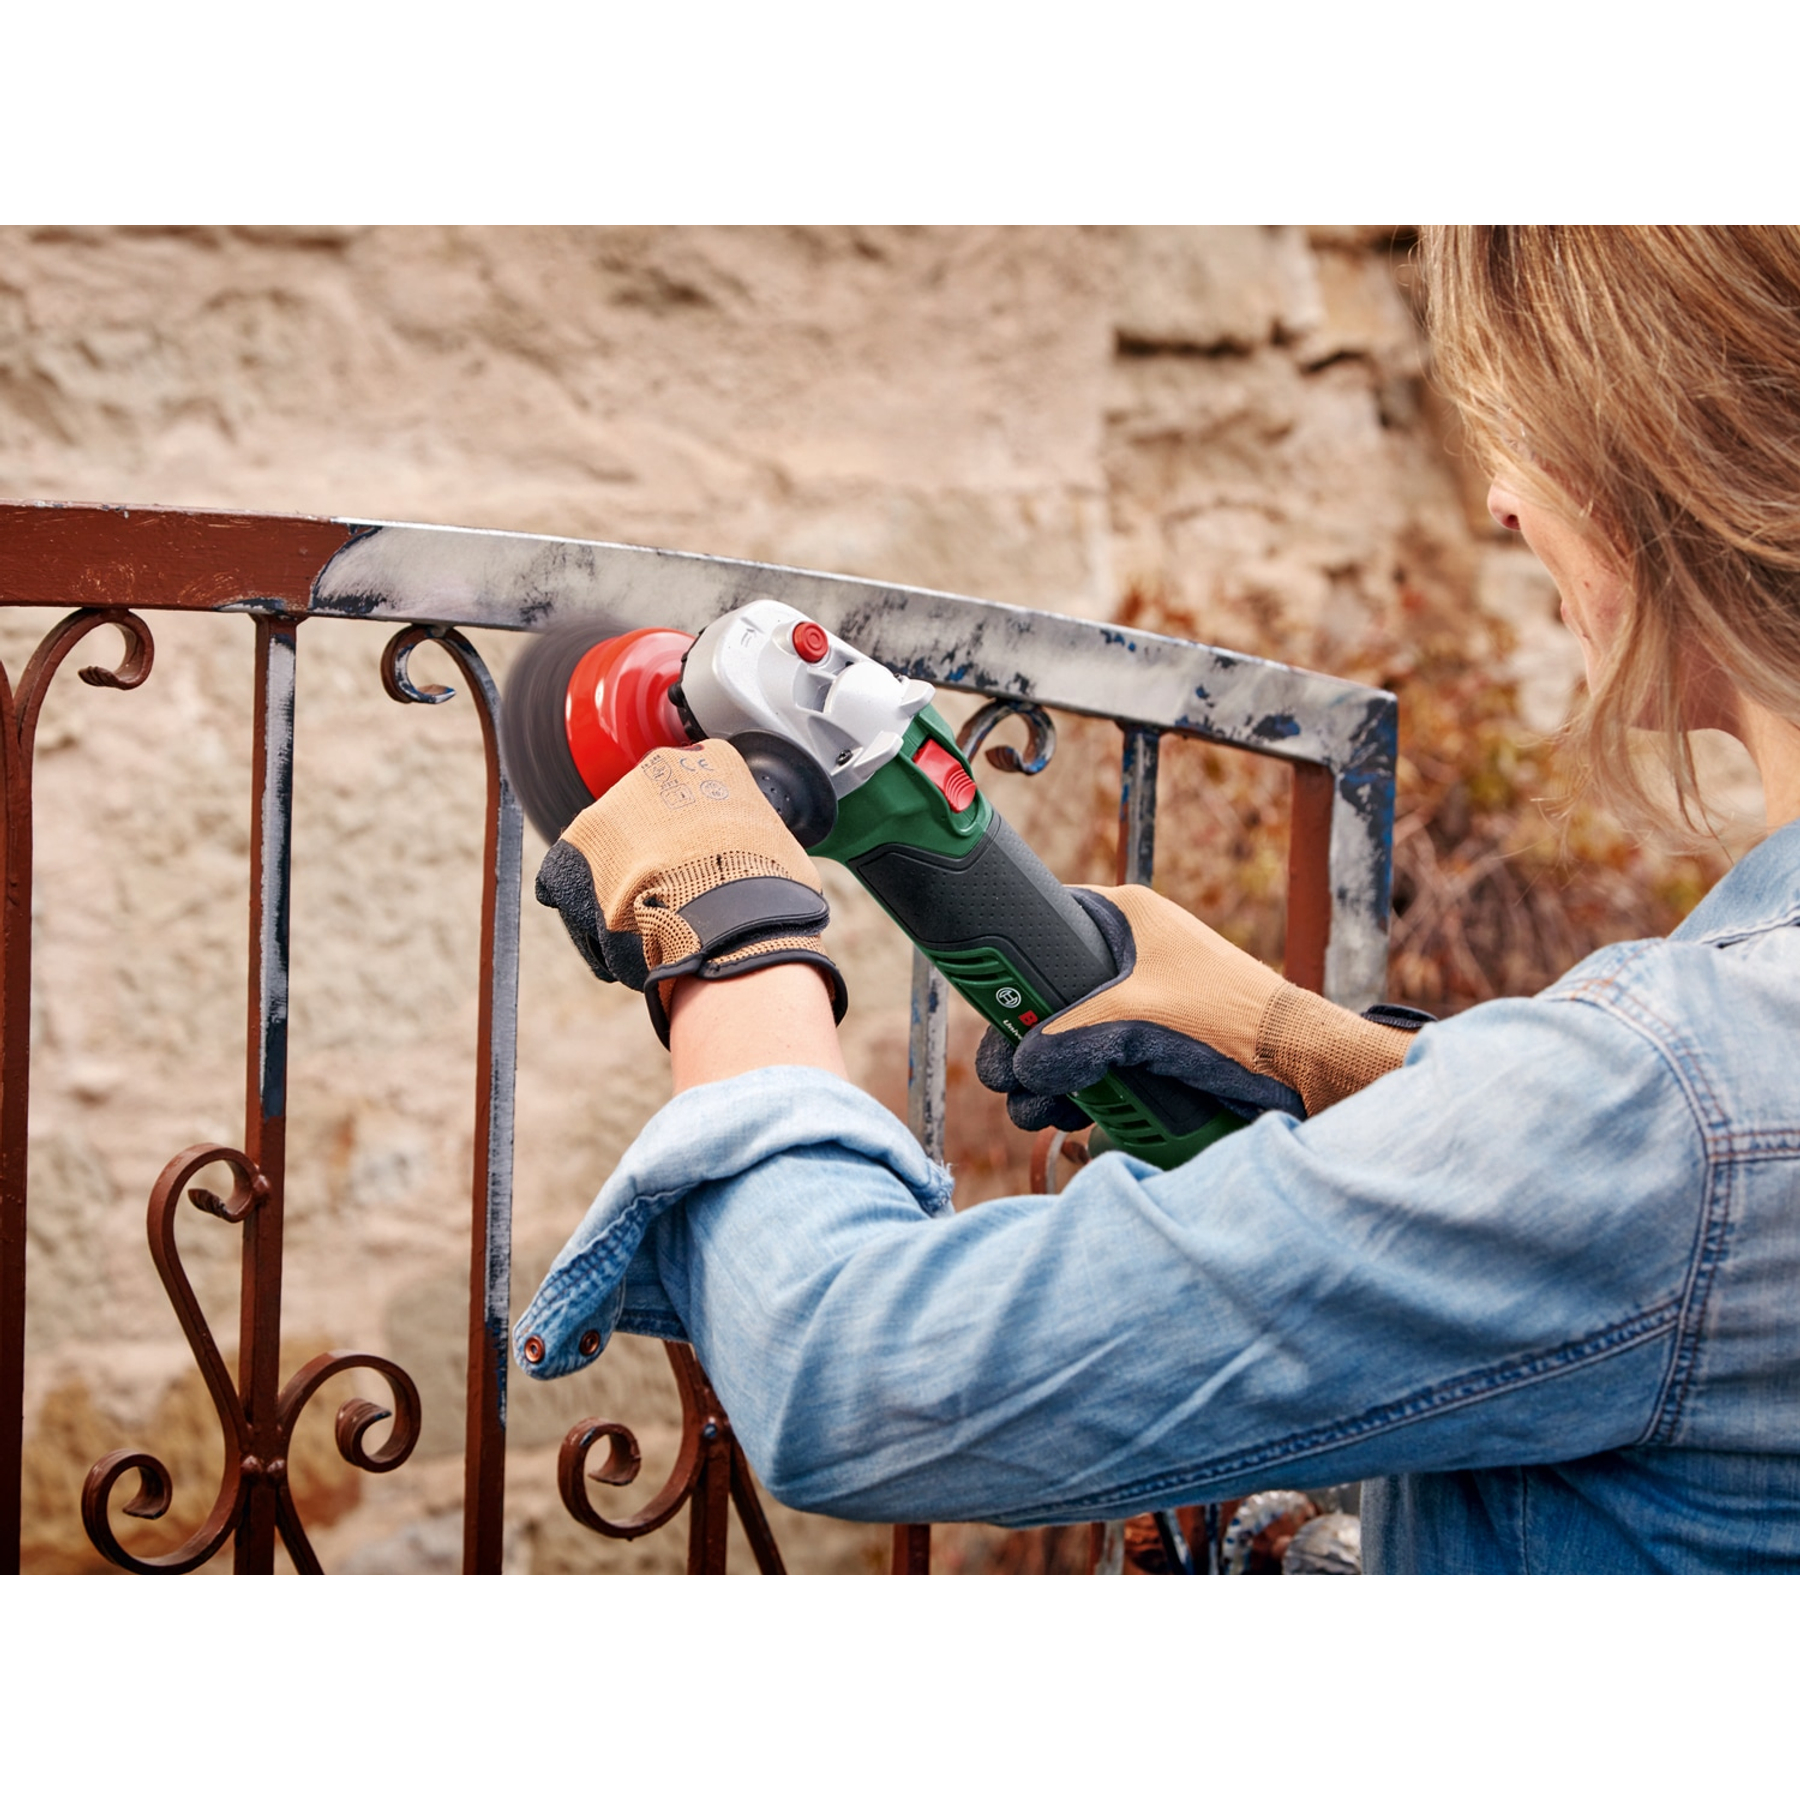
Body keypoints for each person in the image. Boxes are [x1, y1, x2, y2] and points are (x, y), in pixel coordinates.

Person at [514, 227, 1800, 1573]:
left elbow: (860, 1377)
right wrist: (1344, 1067)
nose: (1502, 507)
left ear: (1681, 466)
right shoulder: (1679, 1104)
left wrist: (728, 933)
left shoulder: (1667, 1115)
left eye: (1536, 437)